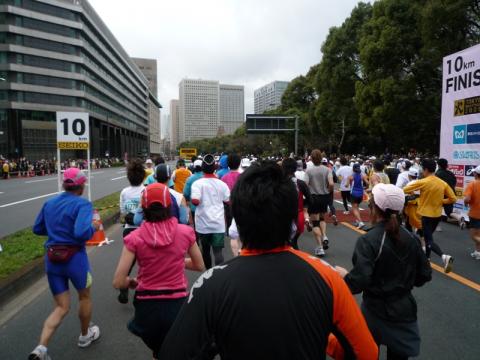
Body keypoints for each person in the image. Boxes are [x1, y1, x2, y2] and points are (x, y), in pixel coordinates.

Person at [158, 161, 378, 360]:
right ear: (293, 218)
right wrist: (323, 336)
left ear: (237, 217)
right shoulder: (328, 277)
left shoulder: (209, 284)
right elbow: (367, 353)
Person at [335, 184, 432, 360]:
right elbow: (424, 275)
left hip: (374, 310)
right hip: (404, 310)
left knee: (367, 353)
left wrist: (343, 277)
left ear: (373, 210)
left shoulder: (368, 240)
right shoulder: (412, 239)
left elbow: (358, 282)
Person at [113, 183, 205, 360]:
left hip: (146, 307)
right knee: (175, 349)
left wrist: (130, 282)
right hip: (177, 304)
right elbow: (199, 265)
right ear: (169, 206)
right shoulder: (185, 232)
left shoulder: (134, 238)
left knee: (158, 350)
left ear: (143, 209)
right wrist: (177, 260)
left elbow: (118, 282)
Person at [29, 168, 101, 360]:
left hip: (52, 259)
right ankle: (85, 336)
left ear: (64, 184)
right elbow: (80, 233)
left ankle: (41, 348)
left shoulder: (49, 203)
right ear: (82, 185)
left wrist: (56, 232)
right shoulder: (83, 204)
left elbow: (37, 228)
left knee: (61, 307)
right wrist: (93, 227)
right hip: (75, 259)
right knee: (84, 297)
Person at [403, 159, 456, 272]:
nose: (422, 171)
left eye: (422, 169)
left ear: (426, 169)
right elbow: (453, 198)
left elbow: (405, 189)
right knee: (428, 238)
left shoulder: (423, 182)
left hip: (426, 215)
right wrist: (441, 201)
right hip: (437, 215)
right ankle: (427, 259)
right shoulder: (442, 183)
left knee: (429, 240)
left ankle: (444, 256)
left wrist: (417, 193)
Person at [191, 154, 230, 269]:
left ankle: (207, 275)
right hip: (218, 223)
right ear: (215, 168)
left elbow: (195, 201)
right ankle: (218, 275)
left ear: (202, 168)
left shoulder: (197, 184)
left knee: (206, 251)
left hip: (203, 224)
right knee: (218, 252)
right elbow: (228, 201)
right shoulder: (222, 184)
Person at [118, 159, 146, 304]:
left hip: (129, 231)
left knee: (128, 262)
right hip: (144, 231)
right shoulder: (146, 190)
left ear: (129, 177)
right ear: (143, 176)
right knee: (145, 264)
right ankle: (141, 291)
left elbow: (122, 211)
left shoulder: (124, 192)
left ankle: (124, 286)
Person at [304, 149, 334, 257]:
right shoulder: (327, 170)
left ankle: (320, 247)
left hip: (313, 197)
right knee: (322, 218)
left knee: (315, 222)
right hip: (324, 196)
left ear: (311, 158)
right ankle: (325, 235)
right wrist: (328, 190)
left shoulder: (309, 171)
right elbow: (331, 184)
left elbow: (305, 184)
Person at [282, 157, 311, 249]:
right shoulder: (300, 183)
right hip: (298, 215)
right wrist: (303, 204)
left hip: (281, 217)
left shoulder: (278, 183)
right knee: (294, 243)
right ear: (295, 168)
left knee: (283, 244)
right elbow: (311, 199)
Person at [221, 153, 242, 243]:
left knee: (231, 229)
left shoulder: (224, 178)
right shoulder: (243, 176)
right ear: (239, 163)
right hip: (241, 205)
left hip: (228, 206)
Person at [463, 165, 480, 260]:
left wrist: (466, 203)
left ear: (476, 174)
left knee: (473, 235)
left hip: (475, 213)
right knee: (479, 234)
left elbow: (467, 198)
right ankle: (478, 253)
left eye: (474, 172)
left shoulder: (472, 184)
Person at [183, 159, 203, 228]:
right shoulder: (207, 177)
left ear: (194, 167)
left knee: (196, 227)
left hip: (194, 208)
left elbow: (185, 193)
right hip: (206, 209)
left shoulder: (190, 179)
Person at [348, 163, 369, 229]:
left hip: (353, 193)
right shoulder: (362, 175)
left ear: (353, 169)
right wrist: (365, 188)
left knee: (354, 208)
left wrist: (349, 183)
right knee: (357, 207)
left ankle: (360, 222)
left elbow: (346, 185)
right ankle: (357, 221)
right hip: (360, 194)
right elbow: (368, 183)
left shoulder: (351, 176)